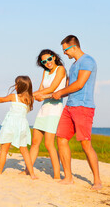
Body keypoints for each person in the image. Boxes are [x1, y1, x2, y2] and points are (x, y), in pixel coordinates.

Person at [53, 35, 102, 190]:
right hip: (70, 106)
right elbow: (69, 88)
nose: (65, 53)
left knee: (85, 143)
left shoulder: (87, 61)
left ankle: (97, 180)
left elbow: (80, 84)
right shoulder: (73, 65)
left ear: (73, 46)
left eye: (65, 50)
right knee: (61, 138)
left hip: (83, 106)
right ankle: (68, 177)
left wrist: (60, 92)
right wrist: (53, 94)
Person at [24, 49, 66, 179]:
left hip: (54, 109)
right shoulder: (45, 72)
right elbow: (41, 89)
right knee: (35, 142)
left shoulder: (60, 69)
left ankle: (57, 175)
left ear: (54, 57)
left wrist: (32, 95)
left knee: (49, 144)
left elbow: (52, 89)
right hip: (44, 109)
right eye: (44, 61)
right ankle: (27, 170)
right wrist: (29, 95)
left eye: (49, 59)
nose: (47, 63)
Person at [0, 76, 38, 179]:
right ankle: (32, 174)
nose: (15, 86)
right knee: (24, 151)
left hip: (10, 125)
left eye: (16, 84)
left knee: (4, 150)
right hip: (22, 126)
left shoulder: (13, 96)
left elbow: (1, 99)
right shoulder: (30, 99)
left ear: (20, 86)